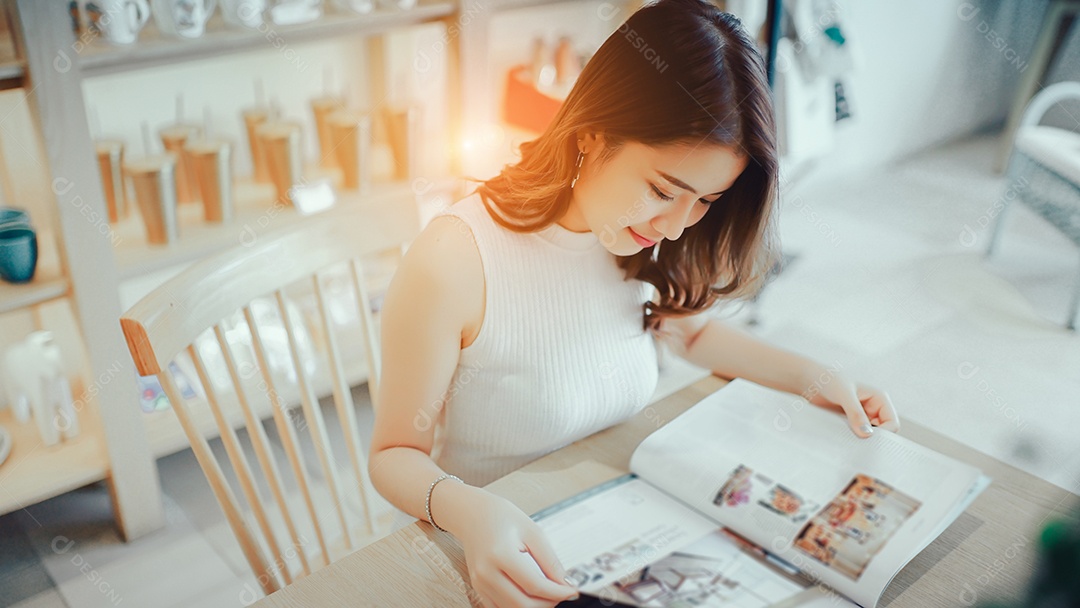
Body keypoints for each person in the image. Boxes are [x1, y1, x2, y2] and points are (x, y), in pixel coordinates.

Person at [369, 1, 900, 606]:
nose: (677, 227)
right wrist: (470, 512)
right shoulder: (455, 259)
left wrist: (817, 378)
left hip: (598, 525)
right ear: (594, 133)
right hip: (478, 549)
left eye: (705, 200)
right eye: (662, 190)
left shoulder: (635, 240)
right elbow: (394, 454)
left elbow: (692, 334)